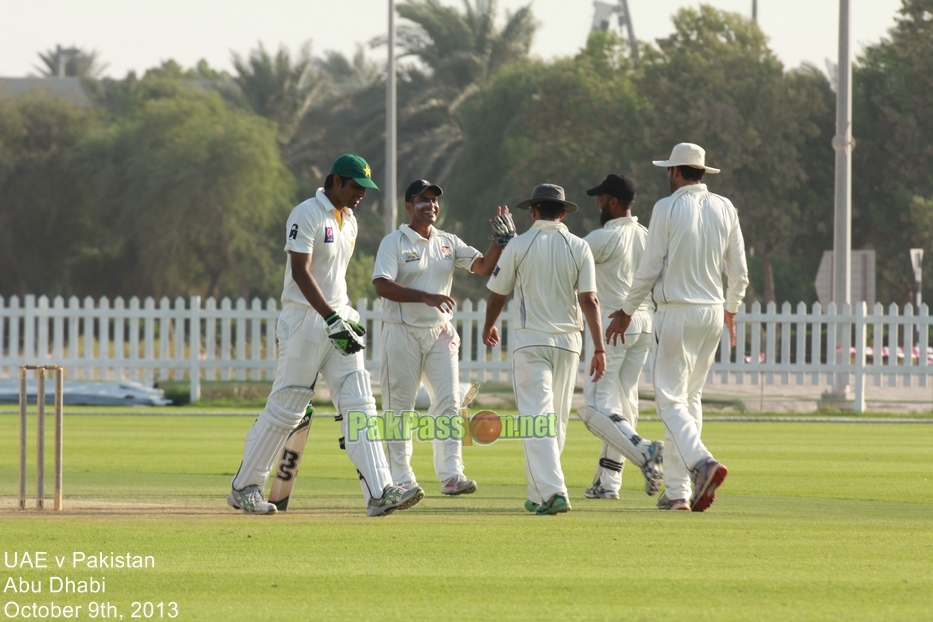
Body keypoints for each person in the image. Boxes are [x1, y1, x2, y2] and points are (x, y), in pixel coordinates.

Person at [228, 154, 423, 517]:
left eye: (365, 189)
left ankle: (380, 492)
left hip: (338, 320)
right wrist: (331, 317)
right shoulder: (306, 213)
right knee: (287, 407)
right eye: (355, 187)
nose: (360, 195)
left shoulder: (349, 220)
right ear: (335, 181)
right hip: (304, 319)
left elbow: (335, 279)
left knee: (360, 404)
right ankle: (245, 487)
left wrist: (343, 317)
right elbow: (300, 273)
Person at [607, 143, 749, 512]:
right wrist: (730, 310)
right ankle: (677, 491)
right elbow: (739, 271)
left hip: (676, 313)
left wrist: (625, 309)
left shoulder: (666, 207)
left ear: (675, 171)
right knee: (689, 400)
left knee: (670, 401)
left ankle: (701, 462)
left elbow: (650, 267)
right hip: (712, 313)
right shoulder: (726, 207)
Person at [372, 179, 513, 495]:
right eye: (423, 200)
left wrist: (500, 243)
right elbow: (381, 285)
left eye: (434, 200)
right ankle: (401, 477)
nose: (430, 205)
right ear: (408, 206)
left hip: (438, 333)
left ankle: (451, 476)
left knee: (450, 402)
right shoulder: (394, 242)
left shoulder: (448, 241)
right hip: (401, 332)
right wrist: (425, 297)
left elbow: (483, 267)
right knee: (399, 408)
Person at [483, 183, 605, 516]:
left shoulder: (519, 245)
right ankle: (539, 494)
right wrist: (600, 348)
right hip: (570, 343)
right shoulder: (579, 246)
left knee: (537, 420)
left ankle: (553, 492)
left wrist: (488, 325)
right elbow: (590, 300)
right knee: (555, 422)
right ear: (563, 212)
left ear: (533, 211)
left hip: (531, 341)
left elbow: (497, 294)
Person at [578, 174, 663, 500]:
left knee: (596, 407)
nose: (597, 202)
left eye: (600, 197)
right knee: (623, 404)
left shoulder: (602, 238)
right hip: (644, 324)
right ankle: (608, 483)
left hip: (615, 327)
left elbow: (569, 266)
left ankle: (644, 450)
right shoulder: (646, 236)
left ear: (613, 201)